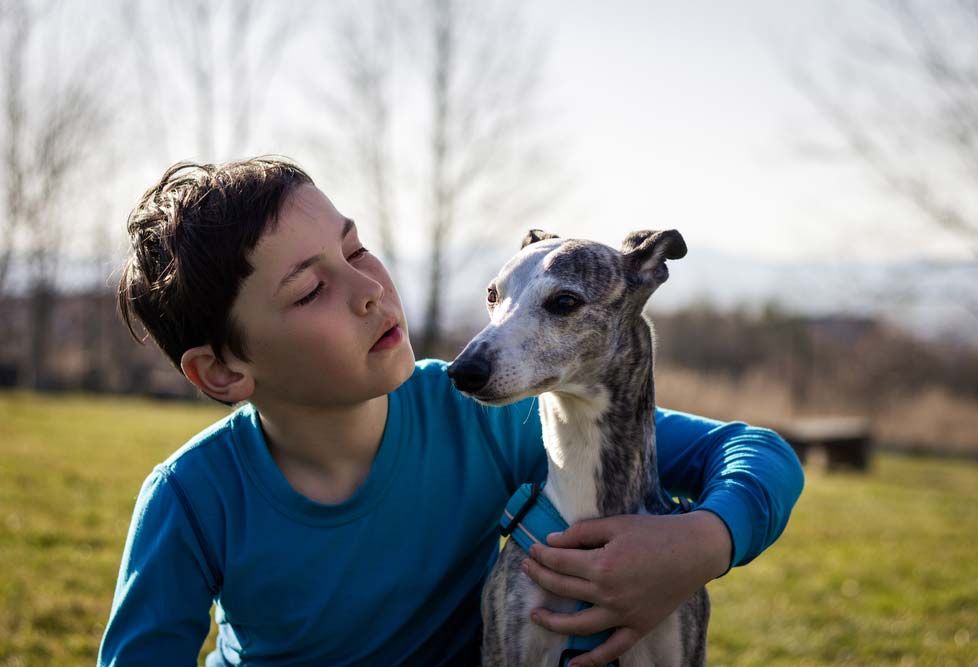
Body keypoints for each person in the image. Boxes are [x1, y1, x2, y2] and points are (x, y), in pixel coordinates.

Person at [98, 156, 804, 667]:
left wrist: (704, 542)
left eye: (355, 248)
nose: (370, 288)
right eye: (311, 289)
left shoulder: (493, 415)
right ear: (222, 370)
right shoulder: (190, 498)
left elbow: (756, 453)